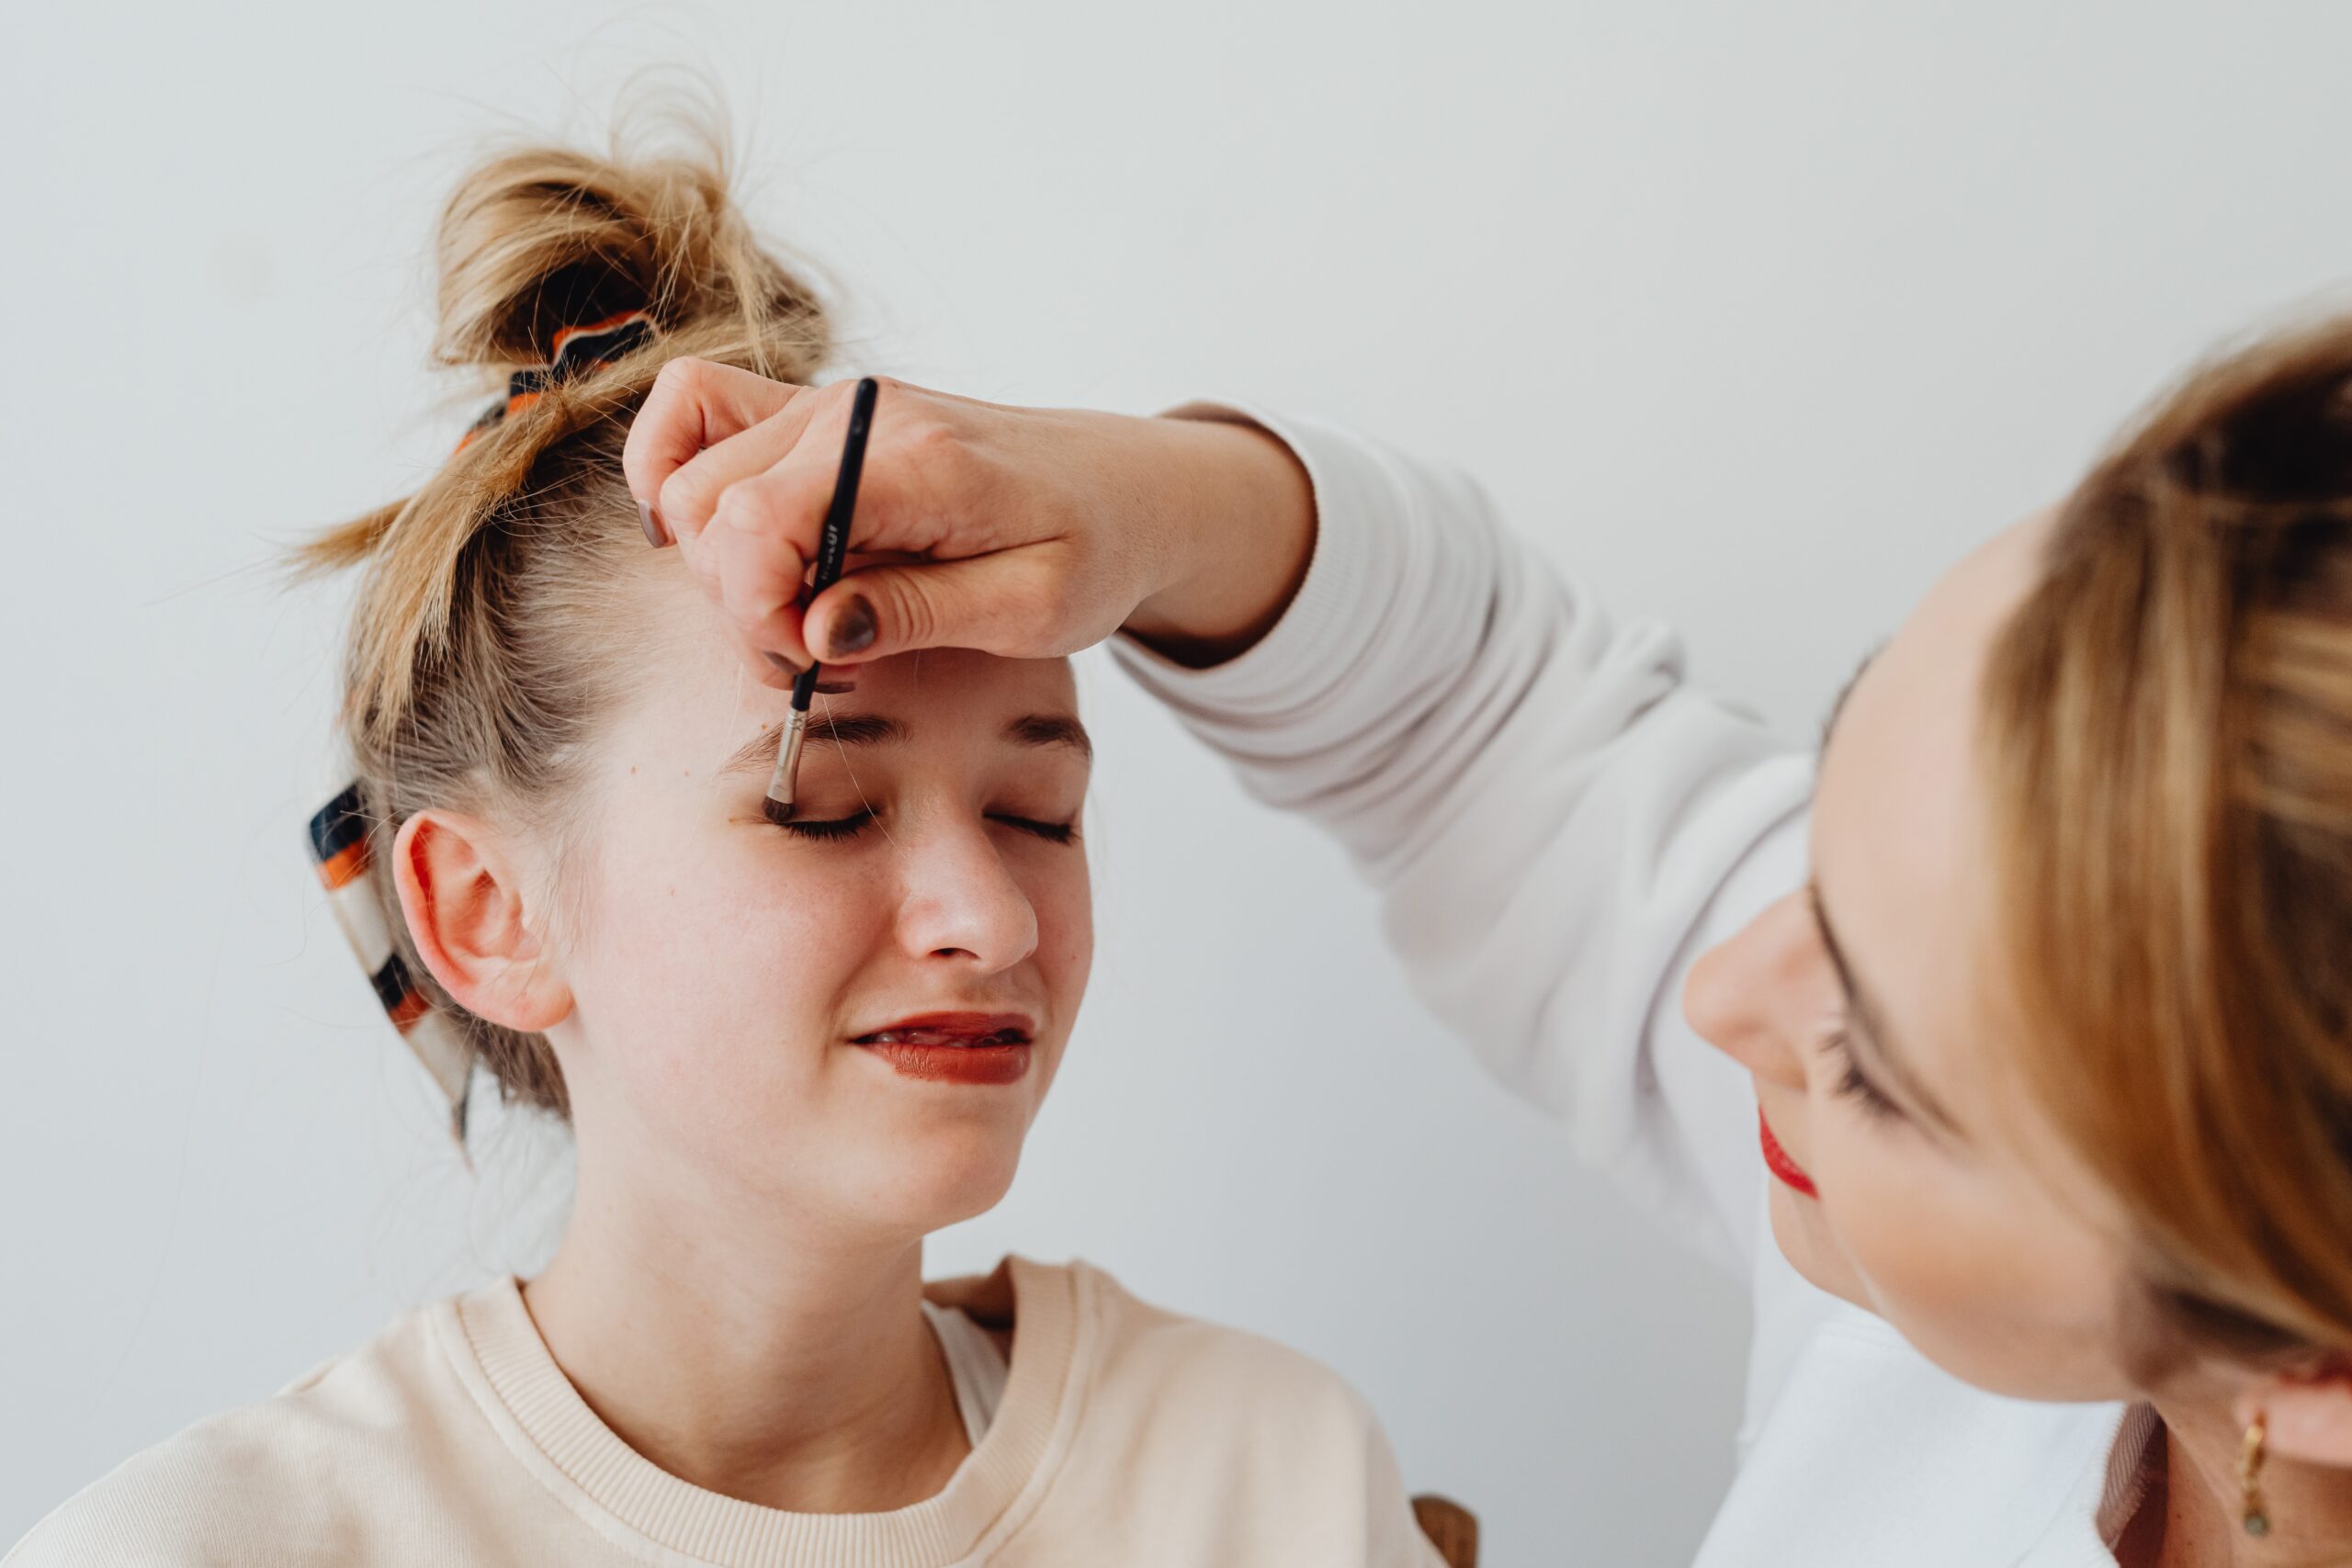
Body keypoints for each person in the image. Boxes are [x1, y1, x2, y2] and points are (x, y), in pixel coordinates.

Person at [625, 314, 2352, 1563]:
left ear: (2304, 1366)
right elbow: (1489, 714)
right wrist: (1138, 502)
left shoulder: (1265, 1478)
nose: (1726, 984)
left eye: (1876, 1066)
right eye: (1823, 836)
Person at [3, 134, 1454, 1568]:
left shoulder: (1271, 1478)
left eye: (1037, 814)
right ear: (488, 912)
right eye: (817, 807)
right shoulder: (208, 1550)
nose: (990, 920)